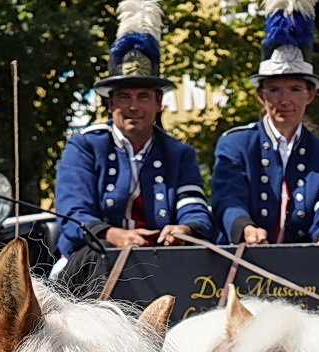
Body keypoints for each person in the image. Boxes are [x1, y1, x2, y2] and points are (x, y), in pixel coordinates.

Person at [52, 0, 212, 278]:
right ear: (111, 104)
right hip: (92, 262)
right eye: (124, 97)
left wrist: (184, 229)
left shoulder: (179, 153)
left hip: (161, 263)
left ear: (159, 103)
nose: (133, 106)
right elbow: (72, 212)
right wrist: (113, 235)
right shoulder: (85, 145)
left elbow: (193, 206)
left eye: (143, 97)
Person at [211, 0, 319, 246]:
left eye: (295, 89)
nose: (285, 100)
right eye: (274, 90)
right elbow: (227, 199)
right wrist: (245, 228)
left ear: (310, 95)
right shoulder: (235, 144)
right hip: (241, 258)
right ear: (260, 95)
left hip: (303, 261)